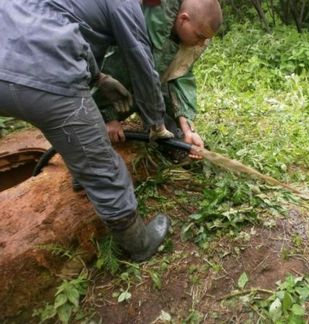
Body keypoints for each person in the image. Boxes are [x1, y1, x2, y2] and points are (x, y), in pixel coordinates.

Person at [0, 0, 218, 262]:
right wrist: (156, 123)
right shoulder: (125, 5)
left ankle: (82, 175)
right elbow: (141, 64)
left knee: (71, 131)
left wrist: (97, 78)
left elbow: (62, 28)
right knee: (105, 168)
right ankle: (139, 243)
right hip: (47, 72)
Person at [95, 0, 223, 163]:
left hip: (151, 83)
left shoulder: (192, 34)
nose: (200, 43)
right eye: (199, 36)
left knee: (162, 94)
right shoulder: (146, 16)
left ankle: (176, 142)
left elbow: (181, 76)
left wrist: (188, 128)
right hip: (105, 82)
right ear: (183, 19)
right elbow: (108, 69)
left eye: (205, 40)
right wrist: (108, 118)